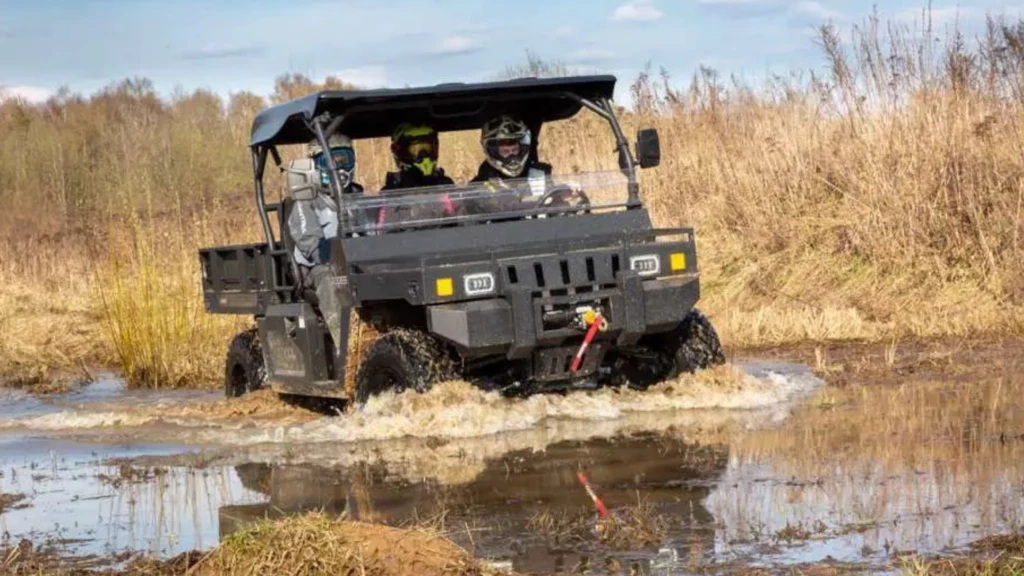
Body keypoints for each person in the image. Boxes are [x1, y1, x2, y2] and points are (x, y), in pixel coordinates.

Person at [286, 133, 361, 355]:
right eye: (328, 162)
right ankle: (348, 350)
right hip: (318, 266)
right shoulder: (305, 199)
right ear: (315, 167)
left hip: (357, 261)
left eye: (343, 160)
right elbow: (309, 241)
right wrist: (334, 252)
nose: (337, 168)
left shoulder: (359, 195)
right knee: (332, 281)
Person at [379, 123, 459, 226]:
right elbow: (382, 231)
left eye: (427, 149)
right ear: (401, 152)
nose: (424, 155)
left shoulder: (446, 187)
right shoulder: (391, 192)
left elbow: (464, 224)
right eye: (416, 150)